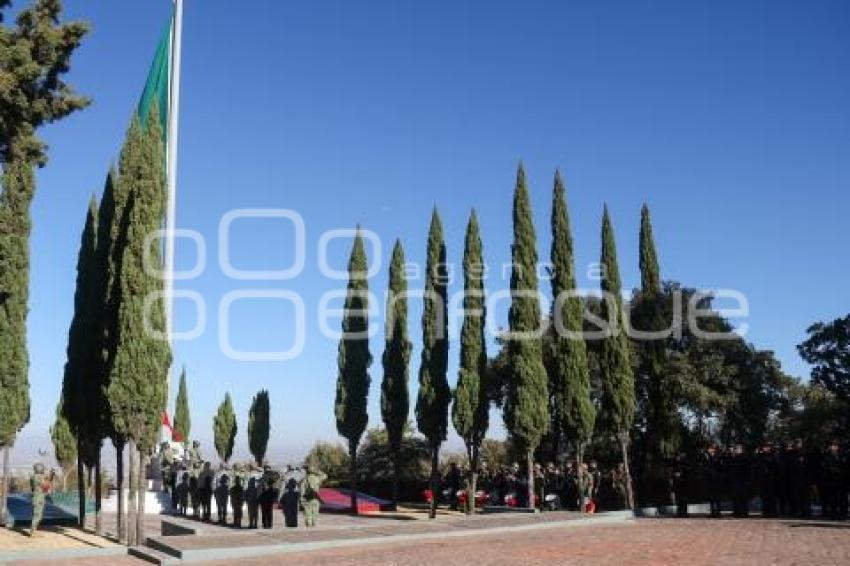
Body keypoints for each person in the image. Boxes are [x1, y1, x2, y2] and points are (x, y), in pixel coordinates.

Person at [29, 463, 52, 537]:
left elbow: (44, 483)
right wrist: (50, 477)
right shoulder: (38, 477)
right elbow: (45, 486)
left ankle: (33, 531)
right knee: (37, 515)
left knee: (38, 515)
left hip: (38, 497)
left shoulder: (33, 477)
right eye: (42, 468)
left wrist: (50, 477)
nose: (43, 470)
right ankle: (32, 532)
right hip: (38, 498)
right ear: (39, 469)